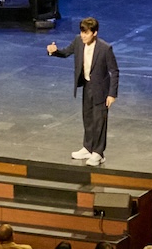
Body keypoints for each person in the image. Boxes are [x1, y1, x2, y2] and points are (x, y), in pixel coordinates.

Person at [46, 16, 119, 166]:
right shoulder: (78, 41)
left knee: (99, 121)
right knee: (88, 118)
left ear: (95, 33)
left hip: (101, 90)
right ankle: (88, 148)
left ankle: (98, 153)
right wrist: (54, 51)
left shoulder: (105, 48)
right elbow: (66, 52)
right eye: (82, 32)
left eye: (87, 33)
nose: (83, 36)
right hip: (87, 86)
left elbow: (114, 71)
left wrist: (112, 94)